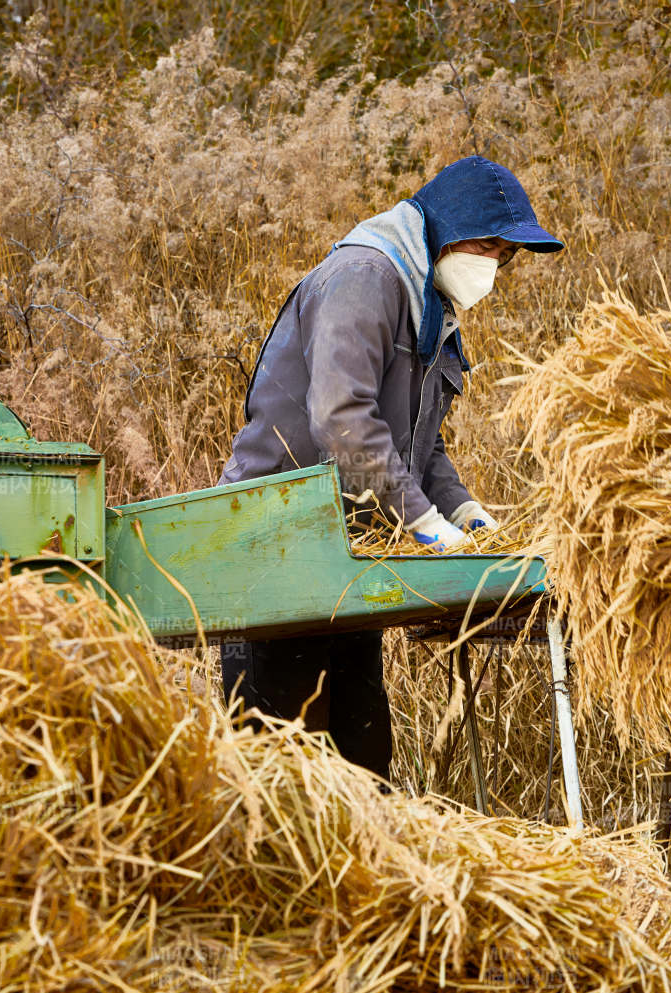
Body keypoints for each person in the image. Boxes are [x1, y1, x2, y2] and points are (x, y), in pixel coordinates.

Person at [217, 156, 563, 780]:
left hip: (347, 561)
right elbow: (342, 419)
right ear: (446, 231)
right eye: (490, 246)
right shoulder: (365, 277)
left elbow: (420, 448)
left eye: (506, 255)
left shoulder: (433, 310)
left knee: (364, 758)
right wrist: (424, 523)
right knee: (284, 776)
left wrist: (465, 514)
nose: (495, 266)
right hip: (276, 553)